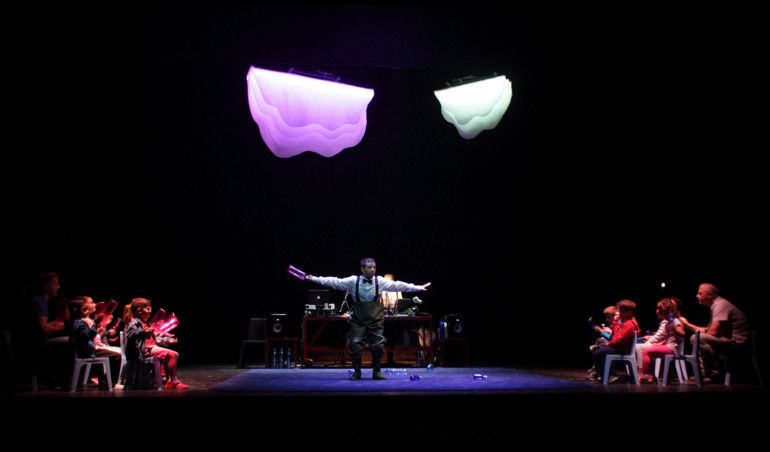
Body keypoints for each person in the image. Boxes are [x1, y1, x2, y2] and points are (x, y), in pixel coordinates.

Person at [305, 257, 431, 380]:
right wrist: (314, 278)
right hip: (358, 320)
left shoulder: (380, 281)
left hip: (375, 319)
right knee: (355, 344)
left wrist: (417, 287)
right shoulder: (353, 281)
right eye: (369, 267)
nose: (372, 270)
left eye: (374, 267)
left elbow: (398, 285)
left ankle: (377, 372)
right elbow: (334, 282)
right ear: (362, 269)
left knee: (378, 346)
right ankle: (357, 372)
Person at [678, 283, 749, 379]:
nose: (697, 296)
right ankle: (708, 373)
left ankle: (713, 373)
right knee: (697, 337)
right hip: (727, 341)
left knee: (697, 338)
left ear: (709, 295)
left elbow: (713, 333)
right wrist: (687, 325)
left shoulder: (720, 305)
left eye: (700, 293)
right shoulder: (715, 305)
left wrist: (690, 327)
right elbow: (708, 331)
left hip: (736, 343)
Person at [125, 298, 188, 389]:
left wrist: (167, 340)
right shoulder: (135, 322)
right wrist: (144, 332)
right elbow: (130, 335)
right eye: (148, 309)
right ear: (139, 311)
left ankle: (168, 381)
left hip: (151, 347)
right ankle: (173, 381)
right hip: (145, 350)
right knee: (173, 354)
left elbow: (155, 338)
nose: (150, 312)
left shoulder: (146, 323)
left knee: (172, 355)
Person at [635, 297, 685, 383]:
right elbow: (669, 338)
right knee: (648, 350)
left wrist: (672, 324)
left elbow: (682, 333)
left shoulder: (675, 321)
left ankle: (645, 374)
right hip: (669, 346)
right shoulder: (668, 322)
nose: (657, 311)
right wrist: (659, 344)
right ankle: (649, 376)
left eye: (659, 309)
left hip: (672, 348)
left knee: (646, 351)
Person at [590, 299, 640, 382]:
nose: (619, 313)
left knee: (598, 354)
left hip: (622, 349)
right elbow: (615, 335)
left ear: (629, 312)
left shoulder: (629, 324)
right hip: (618, 347)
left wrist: (609, 344)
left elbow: (620, 339)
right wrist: (616, 322)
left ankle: (608, 375)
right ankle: (606, 374)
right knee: (598, 348)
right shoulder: (623, 323)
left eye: (621, 311)